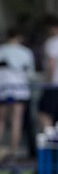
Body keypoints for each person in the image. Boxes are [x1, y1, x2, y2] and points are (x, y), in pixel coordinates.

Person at [0, 26, 35, 159]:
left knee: (1, 120)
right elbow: (30, 73)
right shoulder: (25, 52)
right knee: (16, 120)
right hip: (20, 90)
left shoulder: (1, 50)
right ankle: (12, 152)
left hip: (3, 89)